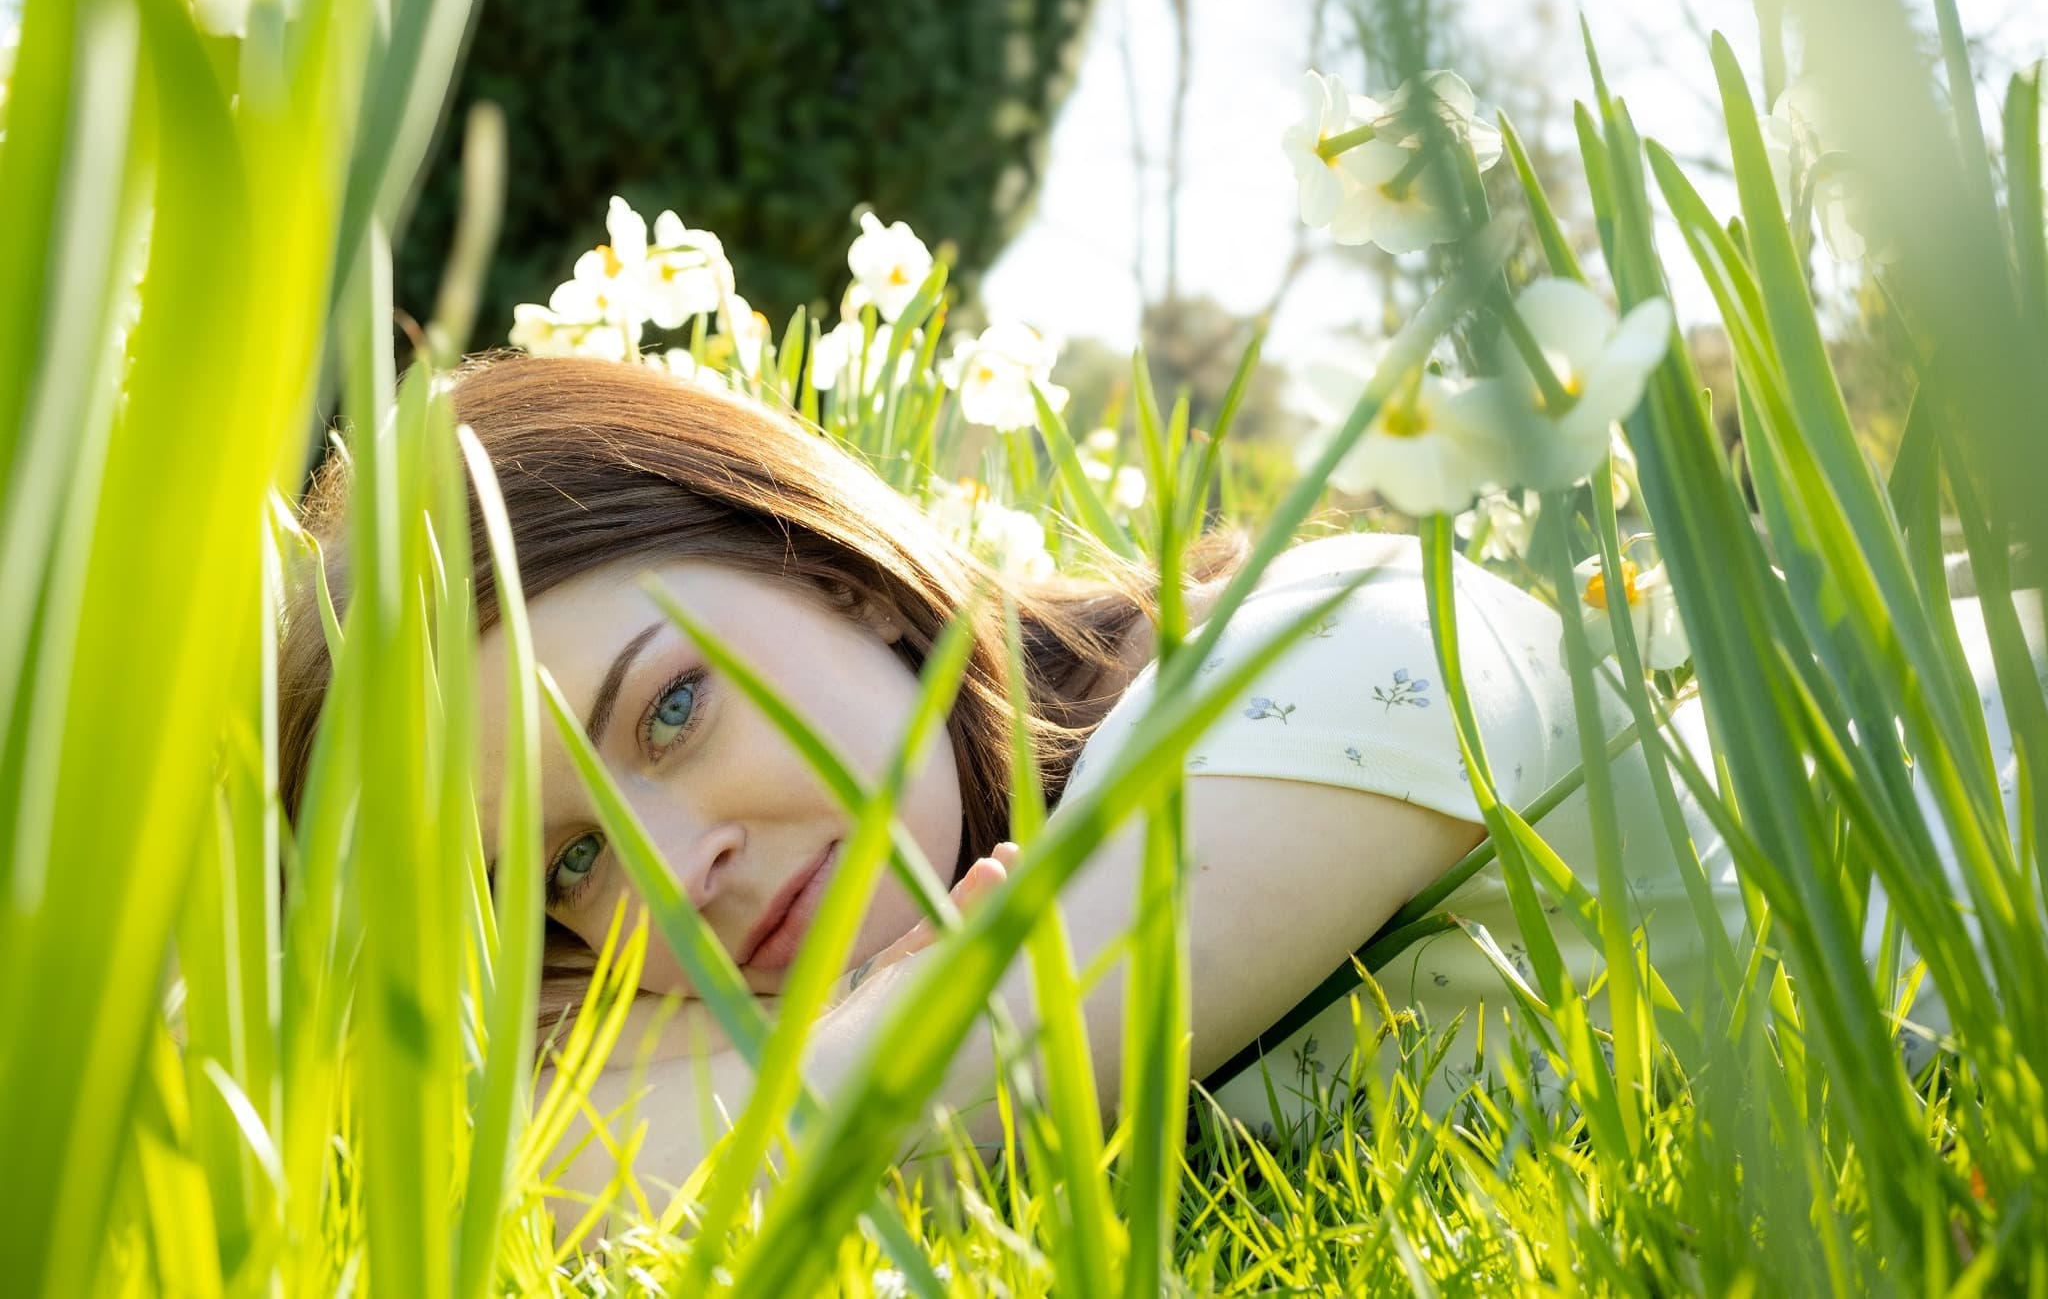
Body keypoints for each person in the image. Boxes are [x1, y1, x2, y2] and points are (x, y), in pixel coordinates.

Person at [276, 353, 2010, 1200]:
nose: (679, 872)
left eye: (668, 715)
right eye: (570, 870)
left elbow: (790, 1151)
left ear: (843, 574)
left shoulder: (1303, 650)